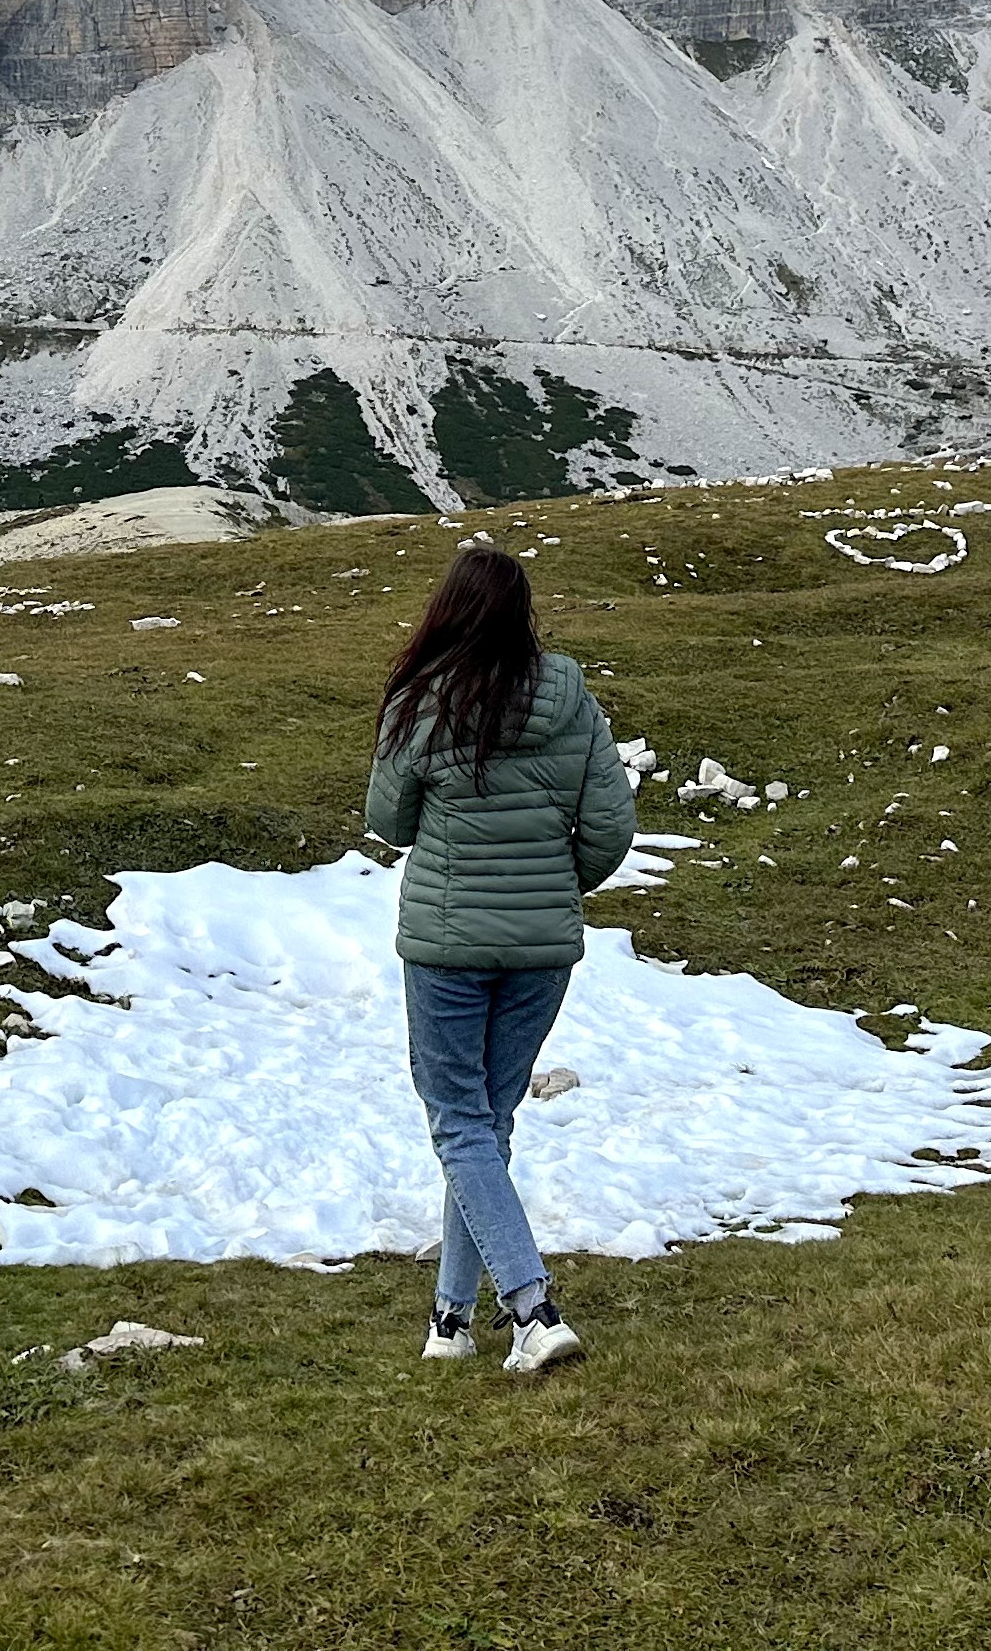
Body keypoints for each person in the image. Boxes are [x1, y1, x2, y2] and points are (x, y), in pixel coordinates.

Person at [363, 540, 635, 1375]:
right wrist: (555, 886)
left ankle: (533, 1309)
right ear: (522, 612)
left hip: (445, 945)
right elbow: (611, 830)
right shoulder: (572, 696)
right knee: (487, 1124)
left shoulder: (422, 697)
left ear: (448, 610)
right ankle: (451, 1319)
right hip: (542, 948)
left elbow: (390, 821)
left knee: (459, 1122)